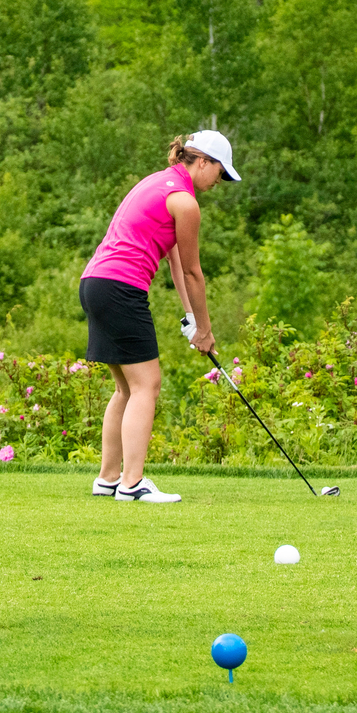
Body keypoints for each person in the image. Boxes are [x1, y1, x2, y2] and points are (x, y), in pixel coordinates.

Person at [78, 128, 241, 504]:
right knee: (147, 384)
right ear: (202, 162)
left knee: (126, 387)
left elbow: (175, 260)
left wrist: (190, 318)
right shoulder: (185, 202)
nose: (220, 181)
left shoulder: (157, 183)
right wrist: (206, 329)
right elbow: (193, 273)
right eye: (220, 172)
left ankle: (108, 478)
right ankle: (132, 484)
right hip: (121, 286)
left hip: (96, 283)